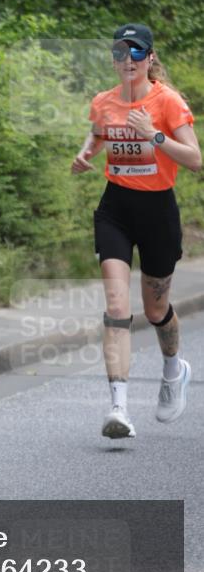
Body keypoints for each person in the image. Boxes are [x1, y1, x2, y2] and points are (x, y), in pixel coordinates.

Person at [71, 24, 201, 440]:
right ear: (112, 58)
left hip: (157, 211)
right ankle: (119, 407)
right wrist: (85, 153)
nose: (127, 61)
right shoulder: (103, 102)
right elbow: (98, 133)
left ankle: (172, 369)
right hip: (116, 208)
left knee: (156, 309)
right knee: (116, 304)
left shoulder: (168, 102)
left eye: (136, 54)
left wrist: (155, 135)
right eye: (120, 53)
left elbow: (195, 160)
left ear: (149, 58)